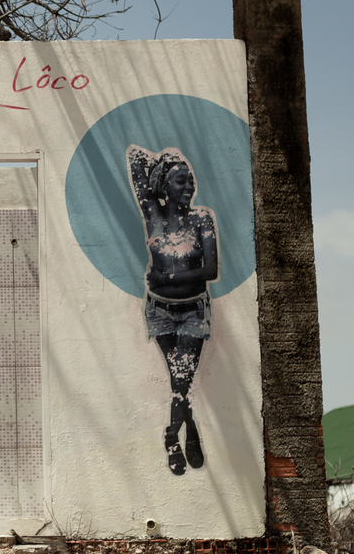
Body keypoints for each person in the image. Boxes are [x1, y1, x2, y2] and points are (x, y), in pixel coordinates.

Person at [127, 145, 218, 476]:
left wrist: (171, 276)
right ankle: (189, 425)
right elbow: (135, 158)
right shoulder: (152, 213)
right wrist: (164, 165)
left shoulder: (202, 218)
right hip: (160, 311)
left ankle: (170, 438)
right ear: (164, 186)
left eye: (191, 181)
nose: (189, 187)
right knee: (181, 378)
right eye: (181, 181)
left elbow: (210, 270)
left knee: (181, 379)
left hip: (193, 310)